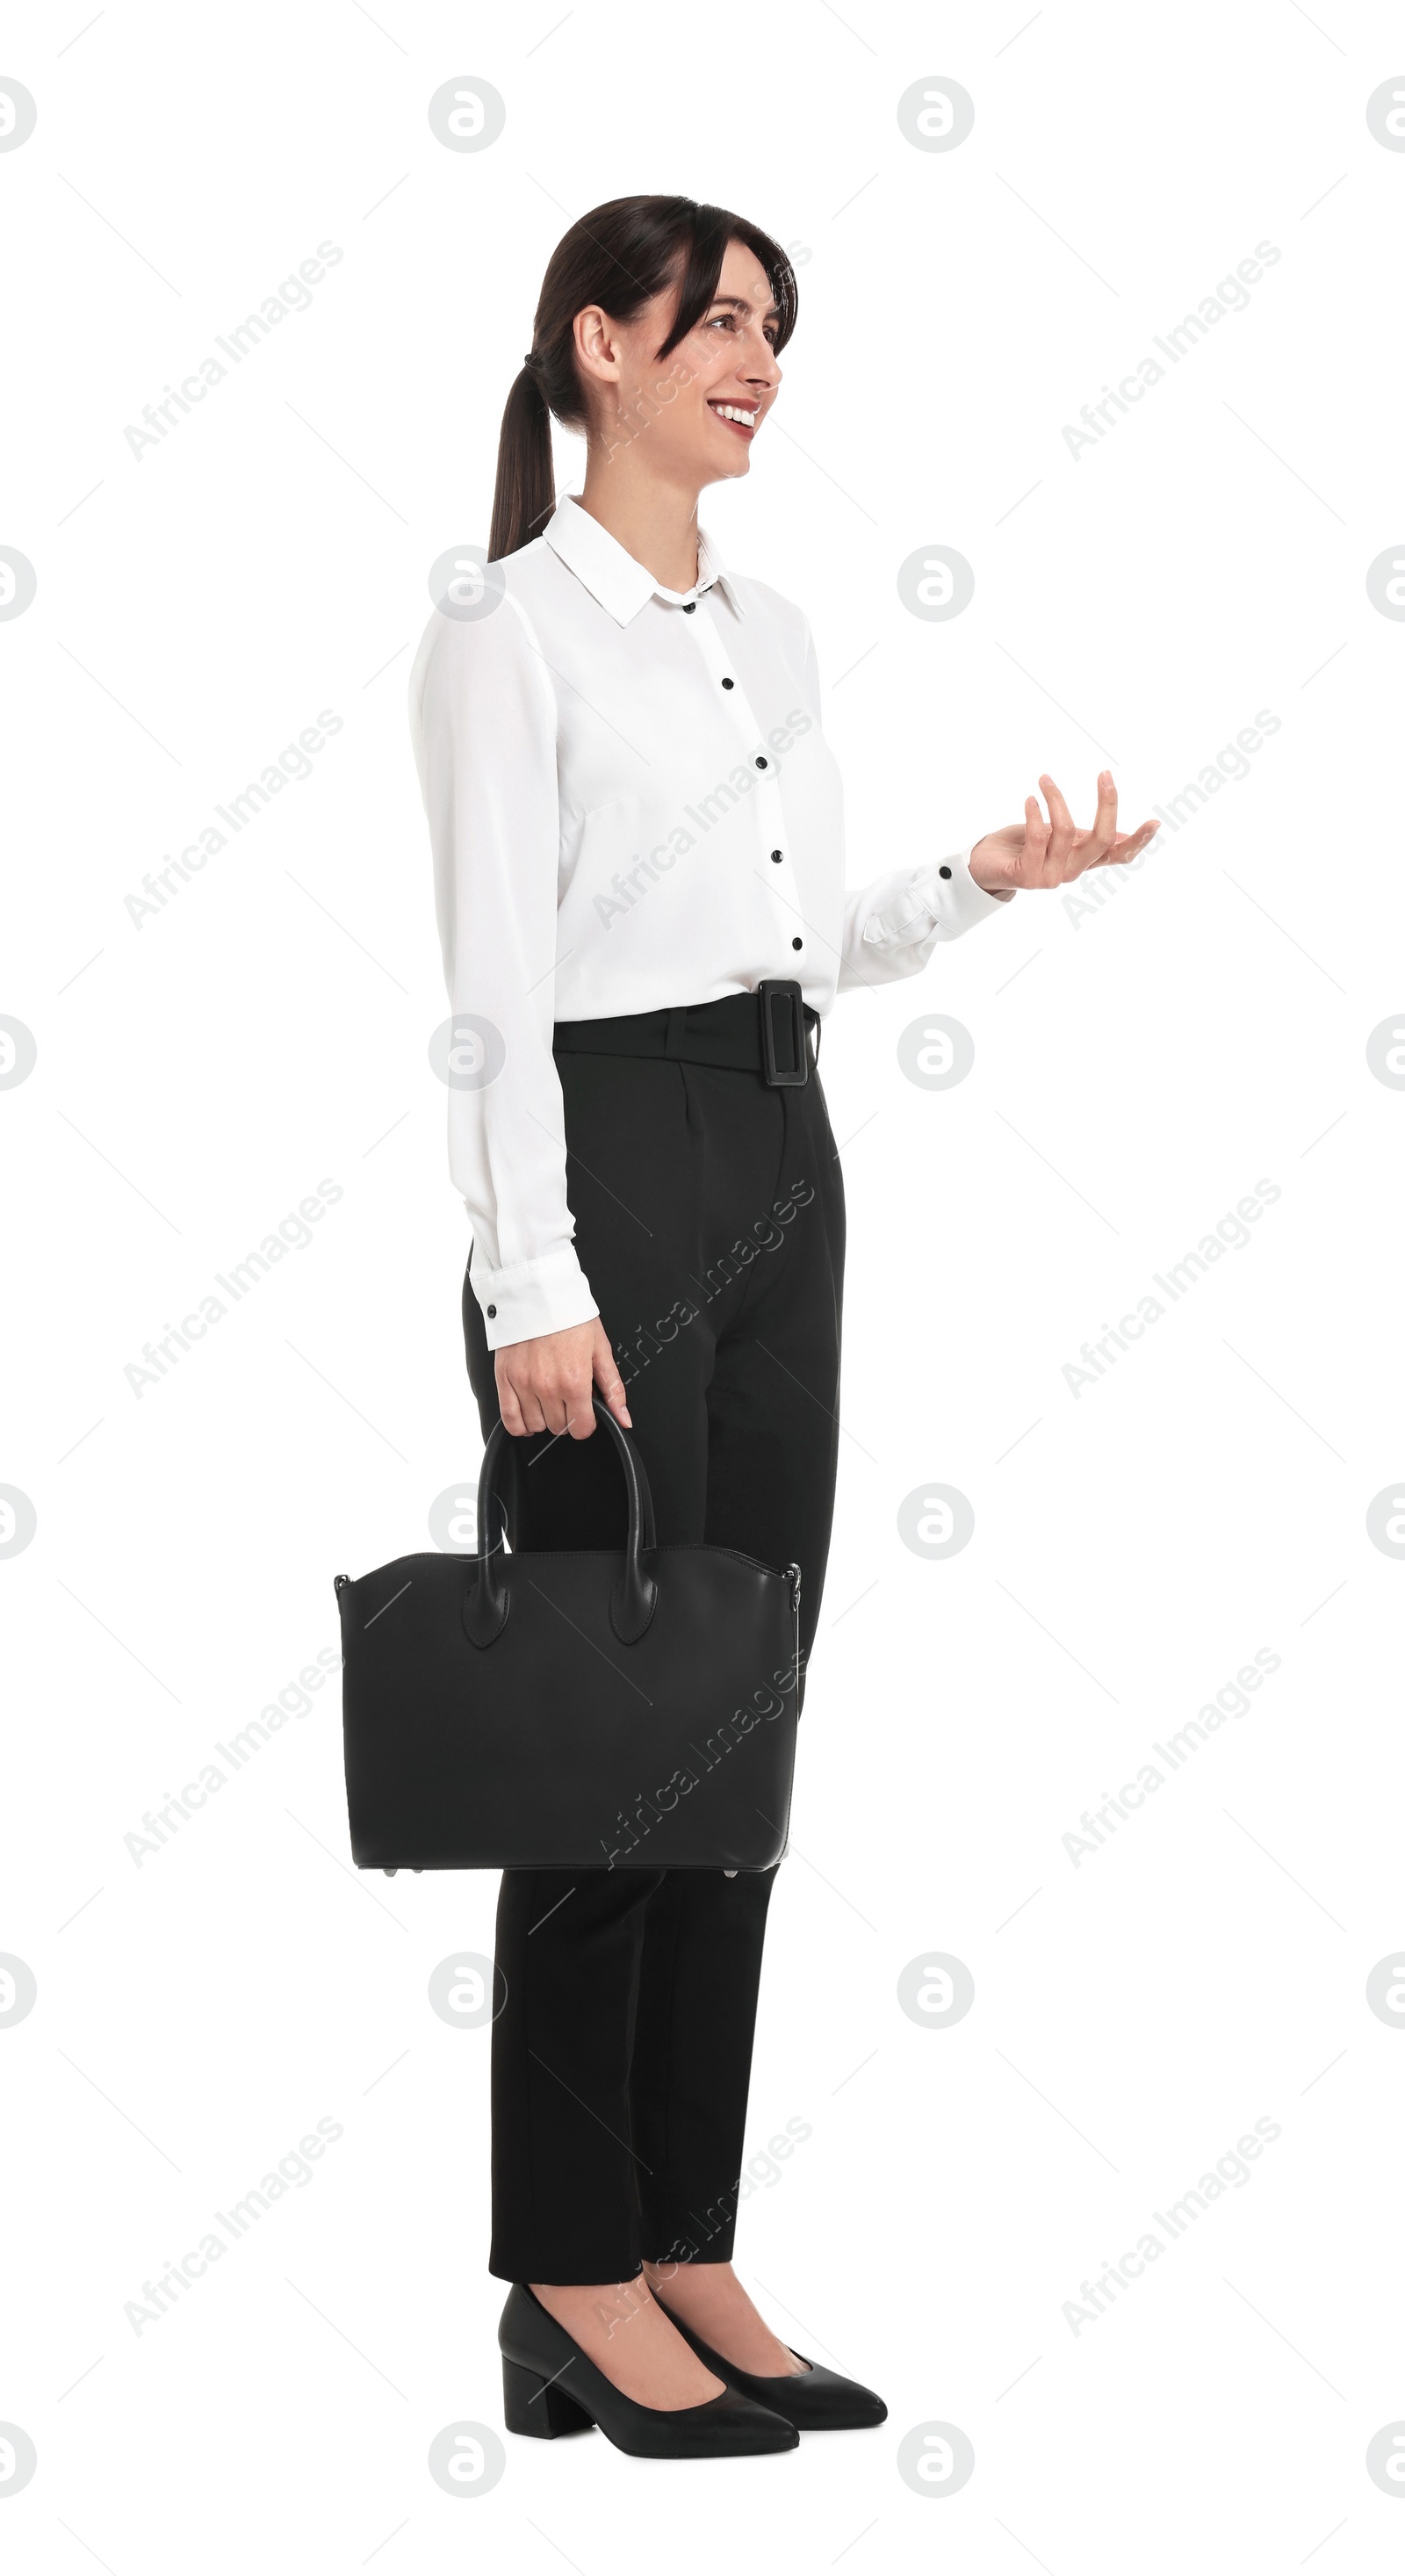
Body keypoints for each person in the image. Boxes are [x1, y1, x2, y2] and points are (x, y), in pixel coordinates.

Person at [408, 194, 1158, 2460]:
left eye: (774, 330)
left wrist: (964, 893)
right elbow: (493, 995)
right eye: (716, 322)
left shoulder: (774, 627)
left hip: (780, 1142)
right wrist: (531, 1280)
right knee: (600, 1723)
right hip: (604, 1176)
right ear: (596, 349)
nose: (754, 359)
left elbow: (784, 944)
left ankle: (680, 2236)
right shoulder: (507, 628)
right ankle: (562, 2268)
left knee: (733, 1714)